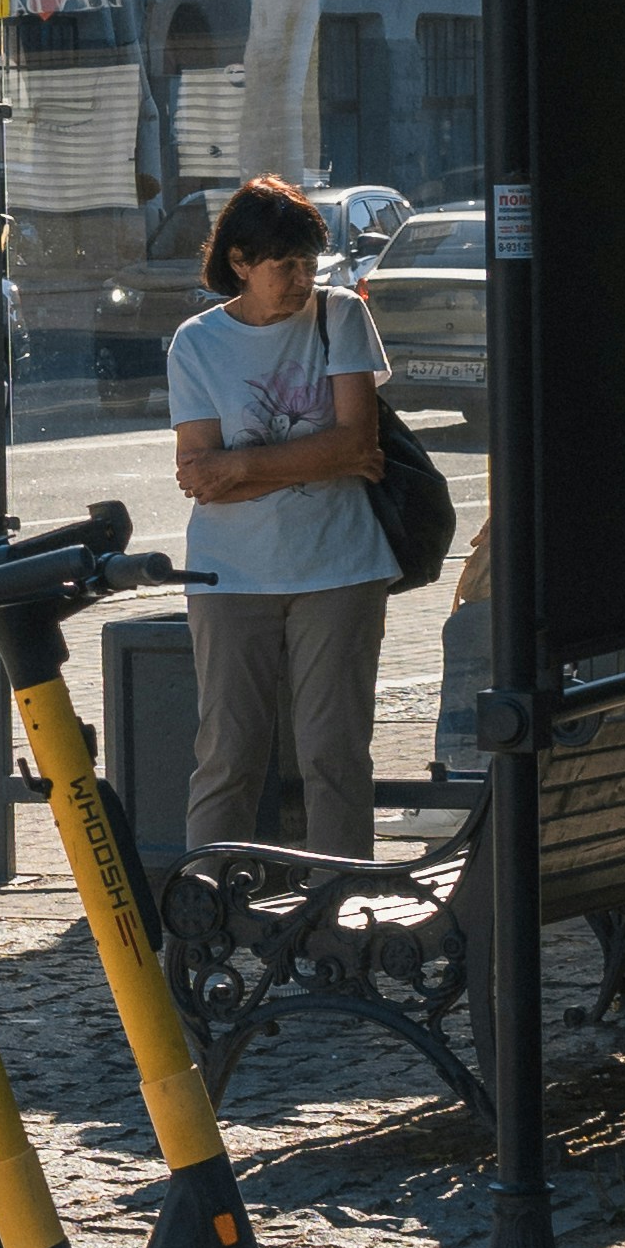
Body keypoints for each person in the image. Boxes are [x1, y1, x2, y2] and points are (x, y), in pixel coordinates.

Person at [167, 173, 391, 854]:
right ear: (239, 263)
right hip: (230, 577)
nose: (301, 280)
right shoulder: (196, 343)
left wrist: (242, 466)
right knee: (229, 757)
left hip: (341, 567)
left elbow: (359, 441)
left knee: (334, 755)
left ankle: (341, 916)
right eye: (284, 266)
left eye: (309, 265)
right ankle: (204, 918)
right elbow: (199, 476)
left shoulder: (340, 315)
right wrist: (316, 457)